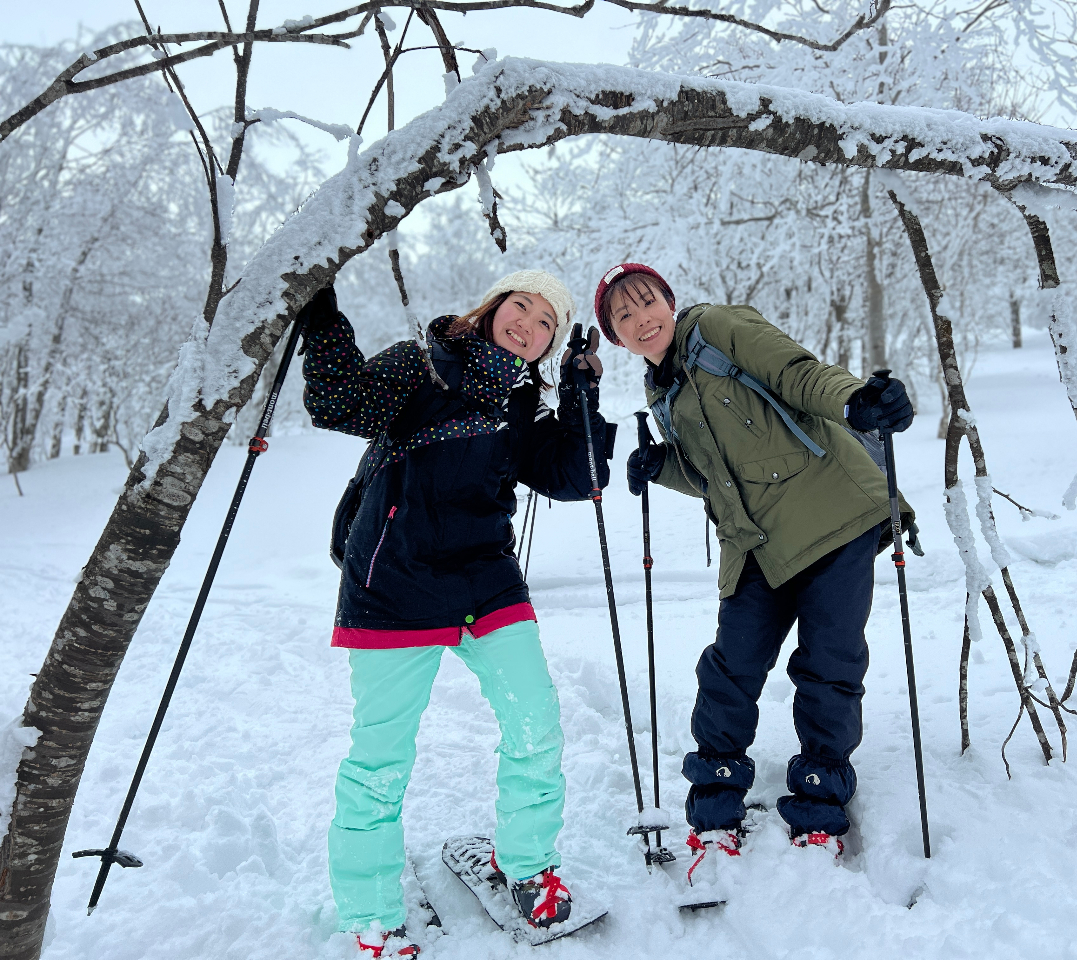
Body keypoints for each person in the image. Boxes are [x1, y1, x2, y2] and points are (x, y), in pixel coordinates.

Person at [299, 270, 615, 957]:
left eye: (546, 323)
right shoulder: (419, 364)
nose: (528, 325)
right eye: (521, 306)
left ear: (548, 345)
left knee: (536, 723)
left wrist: (582, 392)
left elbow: (579, 475)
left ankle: (528, 868)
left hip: (485, 580)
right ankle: (370, 912)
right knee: (380, 759)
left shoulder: (522, 402)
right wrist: (322, 318)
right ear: (494, 306)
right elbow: (336, 402)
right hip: (394, 580)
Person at [593, 262, 915, 882]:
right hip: (754, 542)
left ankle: (819, 807)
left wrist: (856, 400)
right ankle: (715, 809)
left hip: (832, 514)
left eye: (647, 301)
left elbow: (797, 374)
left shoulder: (719, 327)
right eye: (623, 316)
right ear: (617, 337)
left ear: (669, 301)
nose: (641, 319)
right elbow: (717, 477)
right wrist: (662, 468)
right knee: (730, 668)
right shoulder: (661, 391)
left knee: (830, 664)